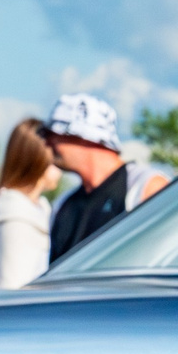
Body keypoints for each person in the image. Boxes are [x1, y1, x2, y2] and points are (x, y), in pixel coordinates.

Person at [41, 93, 148, 262]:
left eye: (54, 134)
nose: (47, 143)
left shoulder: (143, 187)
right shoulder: (63, 205)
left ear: (84, 136)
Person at [0, 117, 57, 289]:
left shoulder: (40, 209)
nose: (60, 165)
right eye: (55, 155)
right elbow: (10, 288)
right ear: (37, 158)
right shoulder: (13, 212)